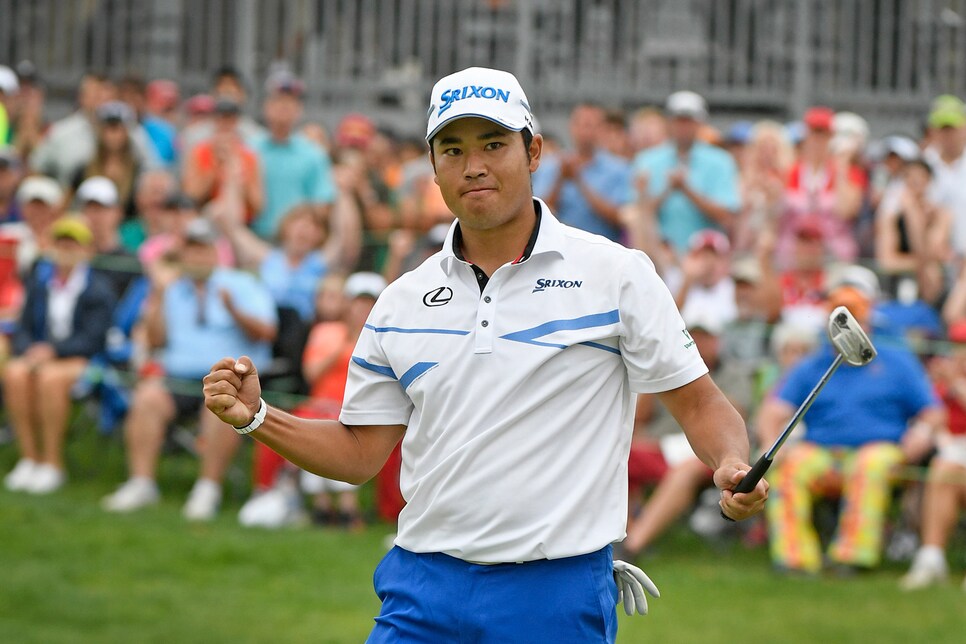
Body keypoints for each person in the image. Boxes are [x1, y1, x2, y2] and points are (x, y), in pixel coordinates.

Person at [202, 66, 767, 641]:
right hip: (420, 588)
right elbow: (358, 452)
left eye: (493, 144)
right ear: (434, 168)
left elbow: (700, 403)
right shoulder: (400, 300)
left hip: (554, 592)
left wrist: (729, 460)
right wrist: (259, 418)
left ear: (534, 151)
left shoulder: (616, 274)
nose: (472, 165)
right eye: (452, 149)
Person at [758, 265, 944, 575]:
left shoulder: (897, 360)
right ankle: (796, 560)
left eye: (854, 312)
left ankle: (851, 559)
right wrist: (771, 442)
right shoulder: (812, 363)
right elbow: (774, 411)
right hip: (821, 452)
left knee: (868, 466)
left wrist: (923, 432)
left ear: (868, 316)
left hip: (881, 450)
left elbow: (933, 412)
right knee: (790, 467)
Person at [101, 217, 276, 519]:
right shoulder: (172, 289)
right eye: (192, 251)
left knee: (223, 404)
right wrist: (157, 294)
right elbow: (155, 341)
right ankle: (142, 482)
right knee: (146, 399)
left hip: (226, 376)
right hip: (178, 376)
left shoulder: (241, 283)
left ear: (215, 253)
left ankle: (207, 489)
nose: (198, 258)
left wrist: (234, 309)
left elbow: (267, 332)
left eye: (204, 250)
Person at [2, 217, 115, 493]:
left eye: (72, 244)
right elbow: (24, 327)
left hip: (84, 360)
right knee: (15, 372)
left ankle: (53, 463)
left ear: (87, 249)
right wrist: (31, 350)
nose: (66, 249)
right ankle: (30, 458)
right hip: (42, 356)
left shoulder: (98, 287)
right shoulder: (39, 283)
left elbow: (93, 339)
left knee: (50, 380)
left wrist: (52, 351)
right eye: (61, 243)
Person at [628, 91, 741, 254]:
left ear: (700, 124)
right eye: (679, 121)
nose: (683, 127)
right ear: (669, 123)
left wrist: (687, 190)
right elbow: (638, 214)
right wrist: (667, 190)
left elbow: (727, 216)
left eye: (689, 122)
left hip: (706, 255)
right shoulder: (646, 160)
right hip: (658, 256)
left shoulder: (721, 161)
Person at [900, 321, 966, 590]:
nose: (957, 355)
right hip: (952, 460)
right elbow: (928, 418)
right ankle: (931, 558)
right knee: (943, 470)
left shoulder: (952, 382)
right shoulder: (938, 383)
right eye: (955, 348)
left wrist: (956, 386)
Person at [248, 70, 337, 240]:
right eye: (278, 100)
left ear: (299, 110)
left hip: (298, 243)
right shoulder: (250, 148)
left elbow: (322, 204)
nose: (284, 106)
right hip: (254, 236)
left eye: (290, 101)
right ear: (266, 107)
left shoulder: (314, 154)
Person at [532, 102, 631, 242]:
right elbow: (537, 213)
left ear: (601, 129)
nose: (584, 132)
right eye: (580, 124)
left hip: (603, 248)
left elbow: (619, 217)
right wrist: (559, 180)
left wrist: (580, 182)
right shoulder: (551, 165)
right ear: (571, 127)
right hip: (560, 247)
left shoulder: (619, 168)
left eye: (590, 125)